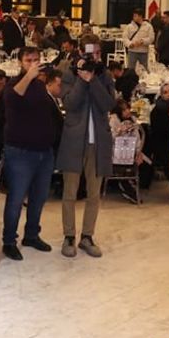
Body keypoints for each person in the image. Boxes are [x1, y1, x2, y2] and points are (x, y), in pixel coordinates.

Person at [56, 41, 115, 258]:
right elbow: (70, 104)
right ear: (80, 52)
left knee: (94, 193)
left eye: (98, 53)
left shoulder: (105, 75)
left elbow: (108, 104)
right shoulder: (69, 74)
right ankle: (69, 236)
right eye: (90, 53)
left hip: (98, 141)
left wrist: (94, 80)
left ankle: (87, 236)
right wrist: (82, 79)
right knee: (69, 192)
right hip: (74, 140)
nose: (94, 57)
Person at [0, 47, 58, 261]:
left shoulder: (40, 86)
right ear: (20, 63)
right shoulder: (13, 85)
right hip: (20, 153)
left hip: (44, 151)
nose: (33, 63)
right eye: (28, 60)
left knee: (39, 197)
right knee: (16, 199)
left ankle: (32, 235)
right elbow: (12, 100)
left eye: (36, 60)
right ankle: (9, 241)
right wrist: (29, 76)